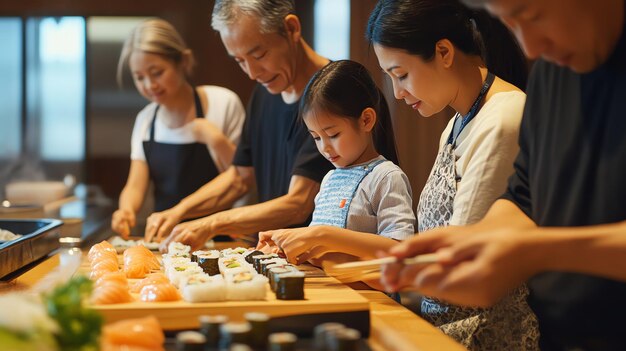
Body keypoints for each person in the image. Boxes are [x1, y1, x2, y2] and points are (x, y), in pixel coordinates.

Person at [379, 0, 626, 350]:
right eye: (511, 22)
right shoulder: (551, 74)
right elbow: (523, 196)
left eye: (534, 15)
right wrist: (470, 243)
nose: (530, 47)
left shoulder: (507, 108)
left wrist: (541, 252)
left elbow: (538, 247)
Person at [367, 0, 539, 349]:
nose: (398, 94)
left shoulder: (503, 116)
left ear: (444, 52)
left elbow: (461, 254)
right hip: (447, 326)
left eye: (401, 75)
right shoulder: (456, 124)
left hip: (485, 333)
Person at [153, 0, 333, 250]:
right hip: (279, 258)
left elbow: (299, 203)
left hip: (329, 267)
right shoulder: (264, 94)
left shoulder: (332, 92)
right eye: (240, 60)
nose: (252, 72)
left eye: (259, 55)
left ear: (291, 29)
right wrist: (179, 211)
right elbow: (239, 177)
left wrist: (211, 224)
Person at [256, 60, 415, 274]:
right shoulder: (330, 178)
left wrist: (323, 236)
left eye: (333, 135)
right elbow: (319, 250)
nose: (325, 147)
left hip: (370, 299)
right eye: (316, 138)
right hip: (330, 288)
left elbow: (399, 249)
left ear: (366, 120)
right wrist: (287, 243)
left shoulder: (386, 177)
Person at [110, 19, 245, 239]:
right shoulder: (146, 120)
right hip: (165, 238)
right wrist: (125, 210)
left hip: (220, 237)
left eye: (157, 72)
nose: (150, 85)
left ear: (183, 61)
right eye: (139, 77)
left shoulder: (223, 102)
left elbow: (242, 178)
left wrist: (216, 139)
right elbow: (135, 185)